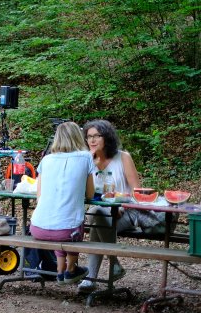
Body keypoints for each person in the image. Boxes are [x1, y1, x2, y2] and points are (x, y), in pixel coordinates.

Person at [78, 119, 141, 293]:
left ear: (107, 137)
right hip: (100, 214)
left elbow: (138, 193)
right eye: (89, 136)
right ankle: (113, 265)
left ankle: (91, 278)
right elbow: (83, 192)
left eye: (97, 136)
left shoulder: (123, 157)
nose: (92, 140)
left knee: (95, 216)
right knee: (97, 212)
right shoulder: (87, 161)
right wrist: (87, 164)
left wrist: (122, 205)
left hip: (126, 213)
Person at [29, 121, 96, 284]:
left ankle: (60, 271)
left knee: (60, 219)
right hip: (67, 231)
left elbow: (40, 195)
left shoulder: (46, 160)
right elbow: (90, 194)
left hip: (37, 228)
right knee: (72, 225)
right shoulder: (86, 157)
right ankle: (71, 270)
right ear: (78, 137)